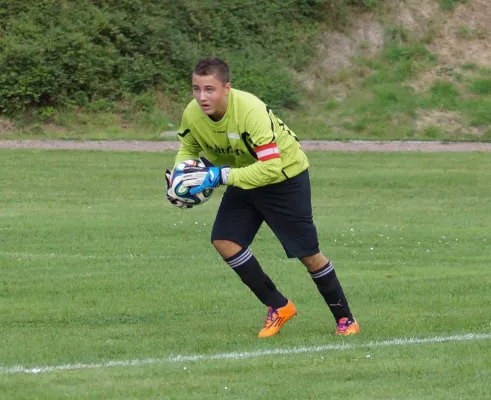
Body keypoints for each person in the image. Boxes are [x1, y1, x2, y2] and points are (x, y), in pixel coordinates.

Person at [165, 57, 360, 338]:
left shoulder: (250, 111)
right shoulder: (193, 113)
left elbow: (270, 168)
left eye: (210, 90)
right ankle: (278, 306)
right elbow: (189, 147)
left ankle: (346, 319)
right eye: (196, 89)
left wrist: (219, 176)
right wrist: (181, 177)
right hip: (243, 175)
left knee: (308, 254)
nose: (202, 97)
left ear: (226, 88)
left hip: (285, 178)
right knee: (225, 241)